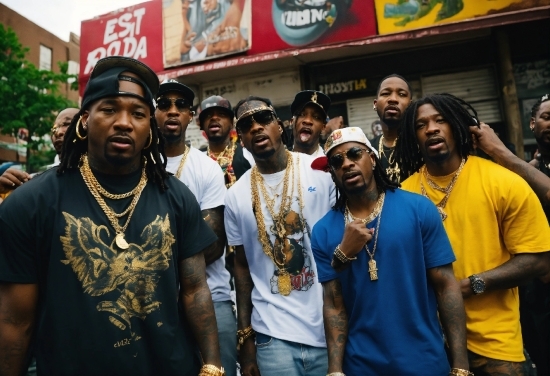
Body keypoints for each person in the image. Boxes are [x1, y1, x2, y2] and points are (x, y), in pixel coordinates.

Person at [0, 56, 224, 376]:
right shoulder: (31, 203)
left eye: (137, 113)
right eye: (108, 109)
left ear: (150, 127)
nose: (123, 122)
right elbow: (14, 321)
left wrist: (213, 366)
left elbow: (195, 289)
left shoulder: (177, 197)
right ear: (84, 119)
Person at [397, 93, 550, 376]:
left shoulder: (503, 182)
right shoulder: (400, 196)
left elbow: (539, 260)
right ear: (412, 136)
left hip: (495, 345)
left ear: (457, 126)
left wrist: (469, 285)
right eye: (421, 124)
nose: (431, 128)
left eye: (440, 120)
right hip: (426, 344)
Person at [310, 127, 469, 375]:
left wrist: (461, 366)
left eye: (354, 154)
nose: (347, 164)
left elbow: (446, 286)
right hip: (361, 366)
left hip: (424, 361)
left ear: (372, 159)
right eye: (337, 161)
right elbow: (334, 305)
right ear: (332, 173)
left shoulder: (418, 209)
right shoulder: (323, 231)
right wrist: (335, 370)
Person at [224, 96, 335, 376]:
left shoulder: (320, 173)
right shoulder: (235, 196)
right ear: (242, 141)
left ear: (280, 126)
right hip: (272, 336)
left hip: (328, 328)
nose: (256, 128)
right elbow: (241, 268)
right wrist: (246, 337)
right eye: (246, 125)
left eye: (263, 119)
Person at [155, 79, 236, 376]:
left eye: (181, 106)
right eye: (164, 105)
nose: (173, 111)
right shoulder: (134, 167)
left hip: (211, 298)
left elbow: (214, 243)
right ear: (152, 113)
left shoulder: (206, 168)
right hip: (153, 303)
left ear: (190, 116)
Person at [470, 116, 550, 375]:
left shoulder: (512, 168)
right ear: (532, 123)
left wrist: (498, 150)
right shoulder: (527, 168)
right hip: (536, 289)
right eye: (547, 117)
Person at [0, 107, 80, 201]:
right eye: (54, 128)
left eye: (66, 124)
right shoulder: (35, 182)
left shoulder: (98, 179)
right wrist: (5, 193)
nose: (57, 132)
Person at [370, 74, 412, 184]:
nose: (393, 99)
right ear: (375, 104)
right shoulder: (367, 150)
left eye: (402, 94)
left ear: (411, 105)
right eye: (385, 93)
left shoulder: (422, 146)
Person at [199, 95, 251, 183]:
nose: (214, 118)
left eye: (222, 114)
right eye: (208, 115)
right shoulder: (195, 160)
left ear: (231, 123)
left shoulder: (248, 155)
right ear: (202, 125)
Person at [291, 90, 330, 158]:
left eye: (316, 117)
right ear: (291, 122)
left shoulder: (330, 160)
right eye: (301, 114)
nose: (308, 121)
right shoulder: (281, 161)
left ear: (323, 127)